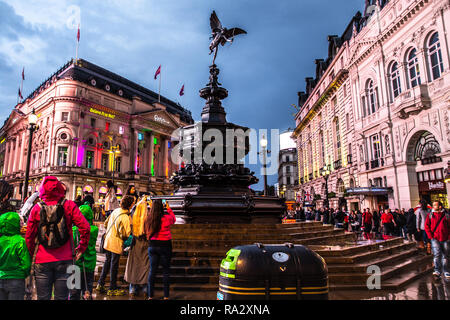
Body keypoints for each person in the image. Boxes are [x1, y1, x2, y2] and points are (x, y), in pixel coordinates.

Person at [25, 176, 90, 300]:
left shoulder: (37, 208)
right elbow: (85, 228)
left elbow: (29, 236)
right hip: (65, 259)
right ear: (60, 188)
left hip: (42, 260)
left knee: (43, 297)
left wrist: (33, 252)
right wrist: (81, 247)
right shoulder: (69, 205)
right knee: (62, 297)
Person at [96, 195, 134, 296]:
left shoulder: (116, 211)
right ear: (130, 205)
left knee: (107, 263)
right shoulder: (125, 217)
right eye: (133, 202)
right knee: (114, 265)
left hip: (108, 240)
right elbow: (126, 233)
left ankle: (100, 283)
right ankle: (112, 288)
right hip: (116, 243)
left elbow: (105, 223)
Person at [145, 199, 176, 300]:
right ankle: (166, 296)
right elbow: (174, 219)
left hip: (152, 246)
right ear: (162, 207)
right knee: (166, 271)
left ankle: (150, 295)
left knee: (152, 271)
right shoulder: (167, 218)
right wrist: (168, 208)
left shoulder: (149, 218)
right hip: (165, 246)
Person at [69, 205, 98, 300]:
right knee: (87, 293)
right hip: (89, 265)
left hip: (75, 265)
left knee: (74, 293)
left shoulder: (73, 231)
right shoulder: (94, 230)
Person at [0, 212, 31, 300]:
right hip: (17, 279)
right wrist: (24, 274)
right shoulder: (20, 241)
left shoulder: (1, 241)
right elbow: (26, 264)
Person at [125, 196, 150, 298]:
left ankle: (133, 288)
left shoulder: (132, 219)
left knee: (133, 265)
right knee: (145, 266)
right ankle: (144, 288)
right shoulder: (148, 220)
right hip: (145, 243)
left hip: (135, 243)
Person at [425, 201, 449, 280]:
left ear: (440, 206)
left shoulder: (446, 215)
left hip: (445, 238)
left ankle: (446, 271)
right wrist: (430, 236)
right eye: (433, 205)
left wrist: (449, 236)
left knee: (446, 255)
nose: (433, 206)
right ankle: (437, 270)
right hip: (435, 238)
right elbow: (427, 226)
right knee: (437, 254)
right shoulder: (430, 215)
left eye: (435, 205)